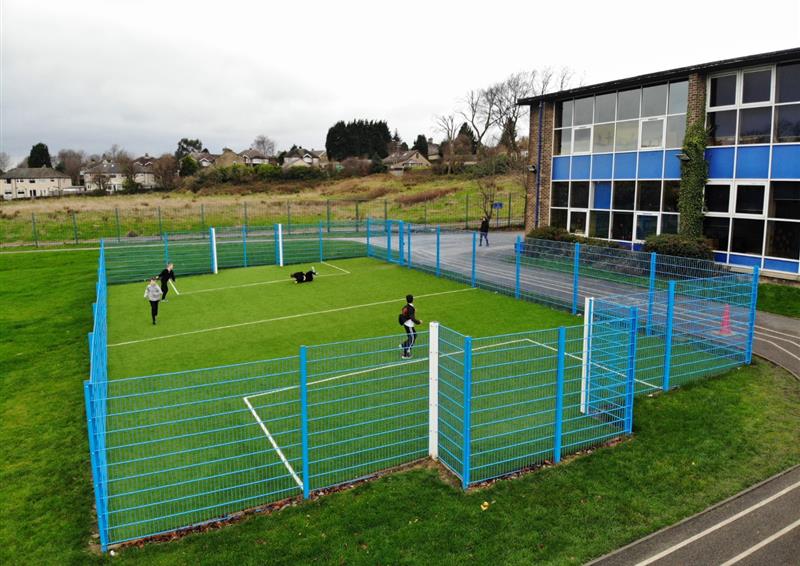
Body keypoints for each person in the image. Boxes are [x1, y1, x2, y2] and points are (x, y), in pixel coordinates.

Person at [399, 294, 421, 359]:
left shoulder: (407, 306)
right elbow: (412, 318)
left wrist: (413, 311)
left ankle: (403, 345)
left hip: (406, 324)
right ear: (412, 299)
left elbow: (405, 311)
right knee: (412, 339)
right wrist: (419, 322)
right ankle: (405, 354)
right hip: (409, 326)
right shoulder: (410, 308)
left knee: (414, 335)